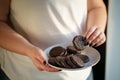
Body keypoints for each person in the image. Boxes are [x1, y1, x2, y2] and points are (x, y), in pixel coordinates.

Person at [0, 0, 107, 80]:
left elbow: (96, 7)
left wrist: (97, 28)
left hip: (80, 74)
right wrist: (27, 49)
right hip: (21, 72)